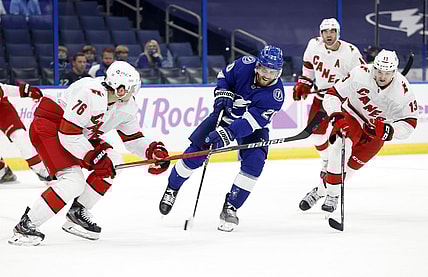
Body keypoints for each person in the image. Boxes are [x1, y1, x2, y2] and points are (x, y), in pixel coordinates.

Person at [8, 61, 171, 246]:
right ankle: (26, 225)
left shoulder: (126, 105)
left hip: (77, 132)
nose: (134, 92)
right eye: (132, 87)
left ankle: (78, 211)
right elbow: (67, 134)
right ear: (121, 88)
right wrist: (93, 156)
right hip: (50, 125)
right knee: (72, 180)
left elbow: (133, 139)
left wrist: (152, 151)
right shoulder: (90, 92)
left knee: (114, 161)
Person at [158, 45, 285, 232]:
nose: (267, 75)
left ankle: (231, 206)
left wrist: (227, 134)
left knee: (255, 161)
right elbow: (224, 76)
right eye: (264, 69)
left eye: (272, 71)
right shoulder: (244, 65)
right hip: (224, 115)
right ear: (257, 66)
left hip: (251, 128)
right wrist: (222, 92)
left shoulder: (276, 96)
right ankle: (172, 187)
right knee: (195, 154)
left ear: (279, 72)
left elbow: (251, 122)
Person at [299, 49, 418, 213]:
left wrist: (388, 130)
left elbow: (410, 124)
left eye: (387, 73)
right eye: (379, 71)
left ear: (394, 72)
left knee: (349, 170)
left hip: (376, 132)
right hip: (352, 115)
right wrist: (336, 115)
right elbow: (332, 94)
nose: (382, 76)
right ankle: (333, 195)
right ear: (374, 68)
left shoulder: (403, 91)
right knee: (340, 146)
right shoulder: (360, 73)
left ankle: (319, 191)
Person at [292, 18, 366, 208]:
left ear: (338, 33)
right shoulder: (313, 45)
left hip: (343, 102)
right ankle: (326, 161)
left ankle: (328, 183)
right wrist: (305, 83)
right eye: (325, 32)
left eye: (333, 31)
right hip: (322, 97)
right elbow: (308, 66)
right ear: (320, 33)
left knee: (339, 142)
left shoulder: (350, 52)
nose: (329, 35)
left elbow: (362, 76)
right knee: (315, 136)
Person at [0, 82, 50, 183]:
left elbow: (3, 89)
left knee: (19, 136)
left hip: (2, 109)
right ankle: (2, 171)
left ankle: (41, 169)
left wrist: (27, 91)